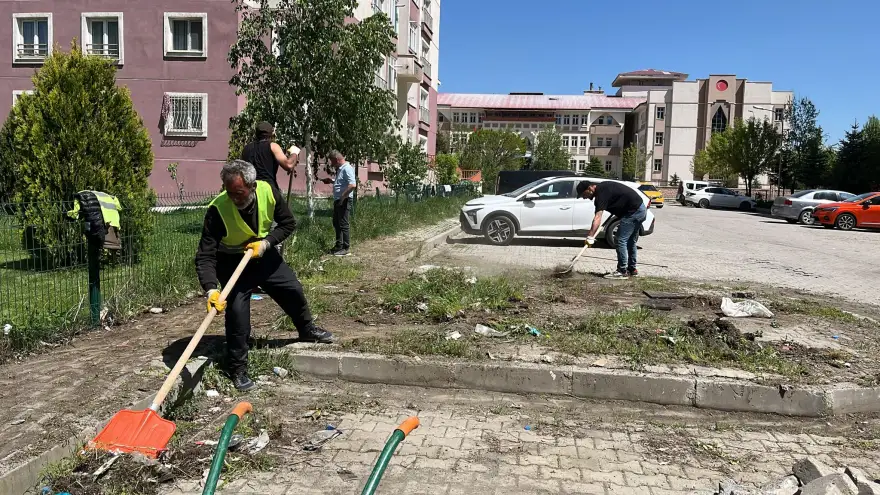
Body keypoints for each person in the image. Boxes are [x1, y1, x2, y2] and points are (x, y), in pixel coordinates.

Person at [195, 160, 334, 391]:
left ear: (251, 186)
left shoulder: (269, 192)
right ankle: (238, 369)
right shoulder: (217, 210)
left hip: (263, 255)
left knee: (292, 289)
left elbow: (288, 223)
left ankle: (307, 330)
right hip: (232, 263)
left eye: (239, 193)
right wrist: (211, 288)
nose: (234, 198)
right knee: (237, 313)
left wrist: (267, 243)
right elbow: (205, 255)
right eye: (229, 193)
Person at [577, 180, 647, 279]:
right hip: (640, 209)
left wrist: (590, 236)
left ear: (589, 188)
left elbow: (597, 218)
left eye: (584, 194)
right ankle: (632, 269)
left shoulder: (601, 194)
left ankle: (622, 271)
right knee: (630, 241)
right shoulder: (603, 188)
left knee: (620, 240)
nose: (584, 197)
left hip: (633, 212)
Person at [241, 122, 299, 192]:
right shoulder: (273, 146)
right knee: (282, 203)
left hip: (250, 190)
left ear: (256, 133)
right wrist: (294, 153)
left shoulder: (246, 149)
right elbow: (289, 165)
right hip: (268, 189)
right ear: (271, 133)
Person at [321, 150, 356, 256]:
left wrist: (342, 197)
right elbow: (342, 182)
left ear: (336, 160)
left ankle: (345, 247)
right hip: (339, 199)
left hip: (344, 200)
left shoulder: (347, 168)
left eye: (332, 161)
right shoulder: (340, 169)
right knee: (336, 223)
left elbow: (352, 185)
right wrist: (331, 181)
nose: (331, 164)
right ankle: (338, 246)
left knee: (343, 224)